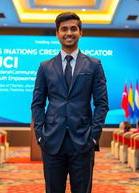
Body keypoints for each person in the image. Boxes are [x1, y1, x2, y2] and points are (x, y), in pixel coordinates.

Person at [31, 12, 109, 193]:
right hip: (51, 140)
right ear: (57, 33)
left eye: (73, 28)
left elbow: (102, 103)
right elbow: (37, 103)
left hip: (83, 140)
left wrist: (94, 136)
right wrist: (41, 135)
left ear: (80, 32)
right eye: (64, 29)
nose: (69, 33)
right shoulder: (45, 66)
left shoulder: (94, 65)